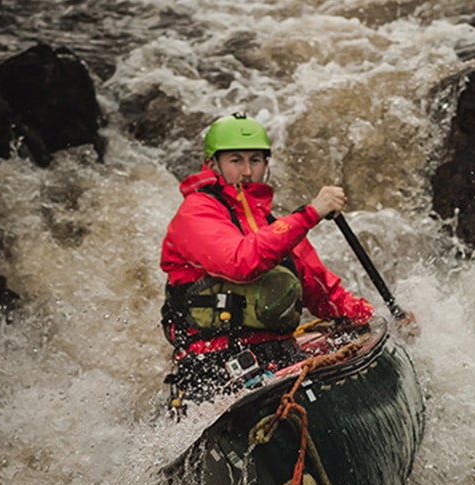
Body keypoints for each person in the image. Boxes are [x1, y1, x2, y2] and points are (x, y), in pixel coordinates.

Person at [160, 114, 374, 409]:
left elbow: (322, 291)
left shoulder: (274, 224)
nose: (247, 171)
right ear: (212, 165)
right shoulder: (195, 213)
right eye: (236, 160)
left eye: (256, 161)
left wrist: (371, 318)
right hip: (212, 365)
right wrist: (310, 214)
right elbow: (240, 263)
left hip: (280, 354)